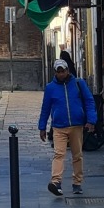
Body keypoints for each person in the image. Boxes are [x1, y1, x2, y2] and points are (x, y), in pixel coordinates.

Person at [38, 57, 97, 196]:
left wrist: (91, 120)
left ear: (67, 70)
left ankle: (77, 182)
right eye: (58, 72)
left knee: (77, 155)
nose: (61, 74)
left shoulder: (78, 83)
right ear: (55, 72)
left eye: (63, 71)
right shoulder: (50, 88)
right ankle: (56, 182)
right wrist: (42, 127)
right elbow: (45, 108)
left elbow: (89, 101)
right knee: (59, 154)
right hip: (59, 127)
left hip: (76, 125)